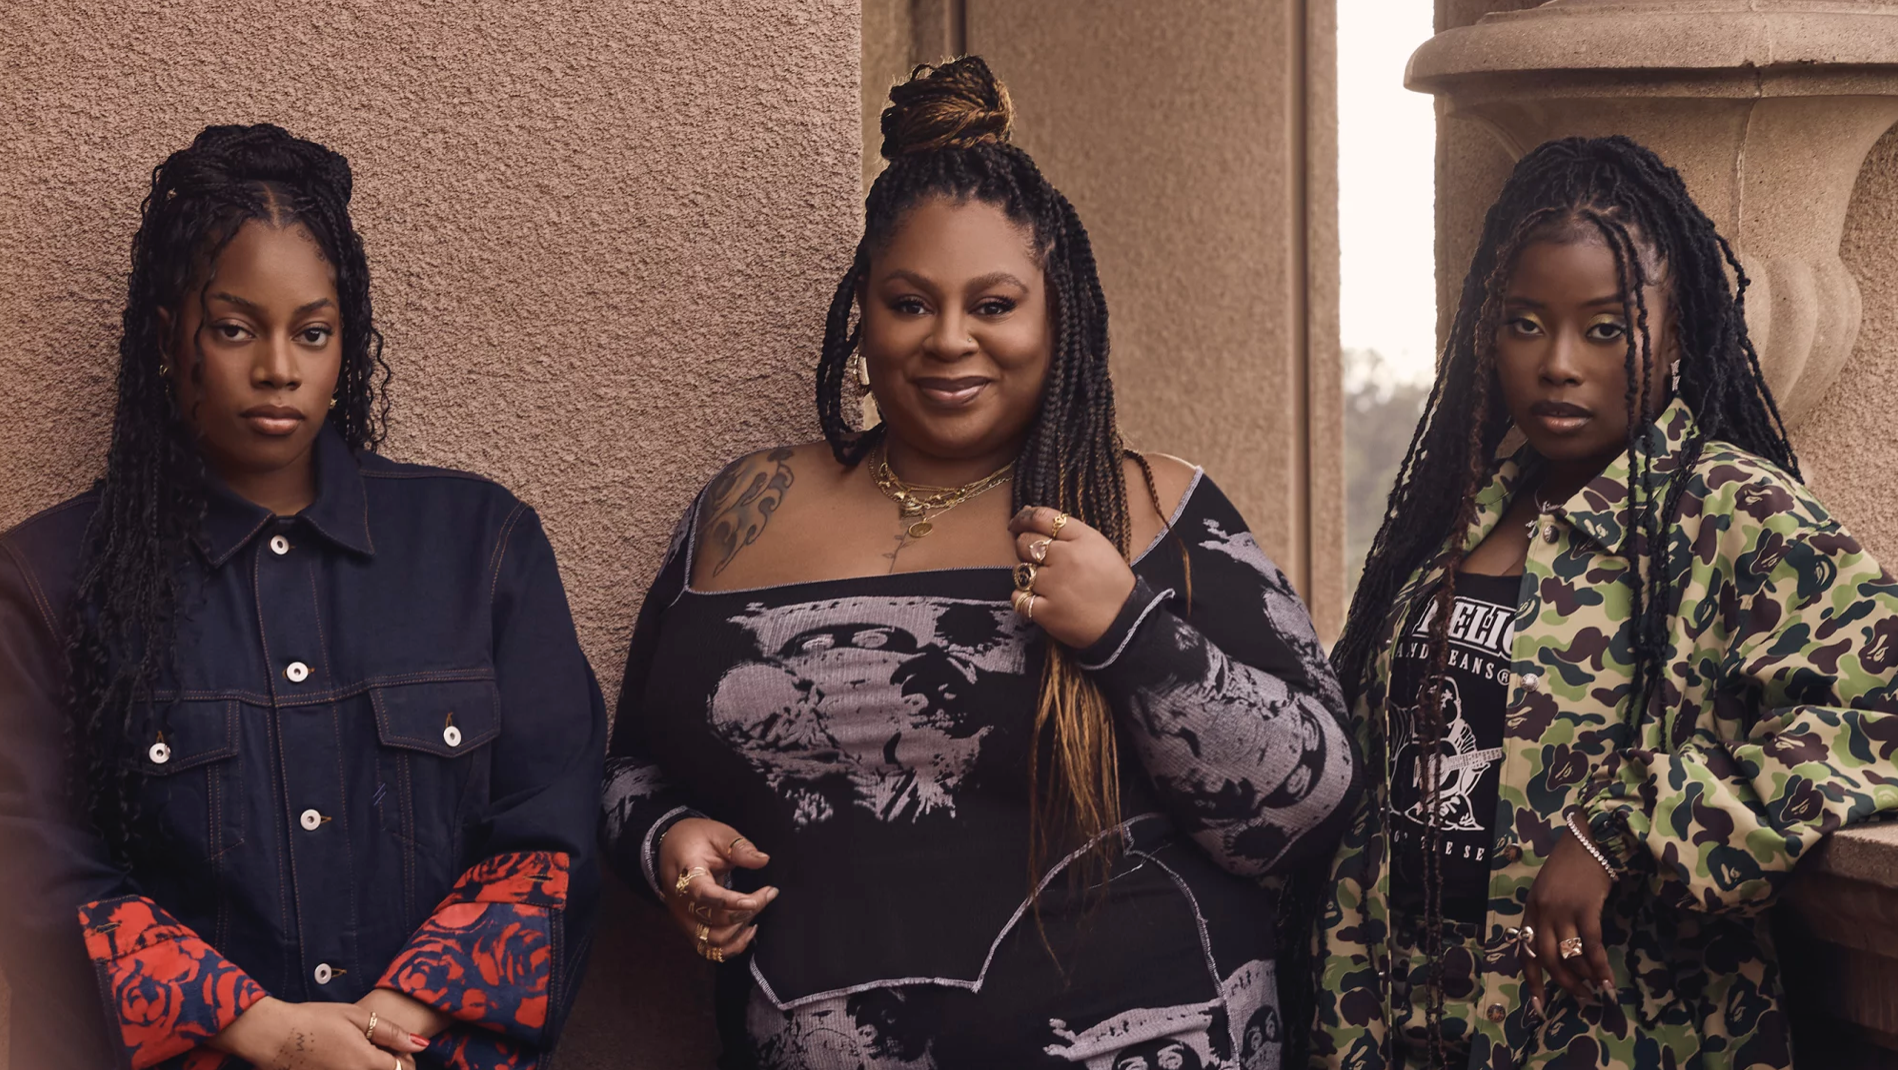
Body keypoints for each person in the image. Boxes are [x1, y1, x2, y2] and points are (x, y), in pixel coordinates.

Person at [600, 57, 1359, 1069]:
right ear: (860, 316)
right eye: (909, 302)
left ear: (1057, 317)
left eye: (993, 304)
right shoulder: (744, 509)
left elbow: (1308, 806)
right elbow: (629, 762)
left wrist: (1128, 631)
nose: (948, 339)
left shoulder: (1150, 508)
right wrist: (667, 843)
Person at [0, 124, 605, 1070]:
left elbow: (551, 824)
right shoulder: (46, 580)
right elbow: (28, 864)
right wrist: (274, 1036)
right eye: (236, 328)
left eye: (312, 332)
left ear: (344, 342)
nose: (279, 367)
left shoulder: (480, 544)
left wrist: (389, 1026)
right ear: (170, 338)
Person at [1307, 135, 1898, 1070]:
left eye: (1607, 328)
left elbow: (1881, 708)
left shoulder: (1730, 514)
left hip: (1626, 1035)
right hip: (1413, 1030)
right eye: (1526, 323)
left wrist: (1621, 825)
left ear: (1678, 337)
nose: (1559, 364)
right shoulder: (1456, 520)